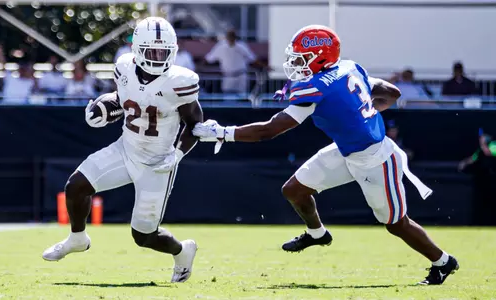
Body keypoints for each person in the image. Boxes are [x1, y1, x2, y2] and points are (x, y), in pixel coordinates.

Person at [193, 25, 458, 285]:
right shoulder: (349, 67)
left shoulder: (316, 89)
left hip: (376, 159)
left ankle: (443, 262)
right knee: (294, 190)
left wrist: (224, 132)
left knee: (396, 224)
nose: (295, 63)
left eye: (301, 58)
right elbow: (392, 92)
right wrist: (363, 113)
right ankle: (317, 233)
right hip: (347, 151)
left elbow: (269, 131)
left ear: (321, 56)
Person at [42, 17, 203, 283]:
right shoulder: (124, 68)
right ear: (137, 49)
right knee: (76, 186)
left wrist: (177, 155)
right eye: (152, 51)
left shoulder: (180, 81)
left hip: (158, 162)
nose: (158, 57)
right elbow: (124, 98)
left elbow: (194, 124)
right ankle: (77, 238)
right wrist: (104, 108)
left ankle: (182, 251)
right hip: (125, 149)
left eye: (163, 52)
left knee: (144, 237)